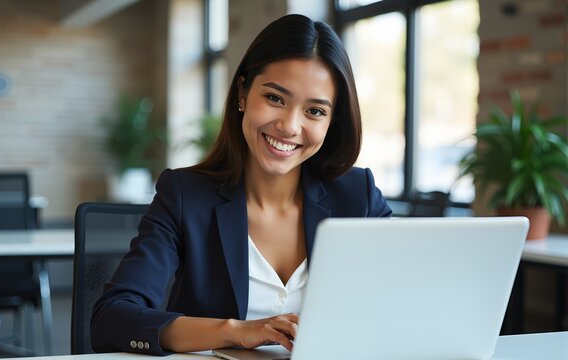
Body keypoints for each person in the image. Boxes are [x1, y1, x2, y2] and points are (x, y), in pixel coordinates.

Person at [91, 13, 392, 355]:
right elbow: (112, 319)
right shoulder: (185, 196)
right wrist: (235, 331)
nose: (290, 127)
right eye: (275, 98)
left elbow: (404, 304)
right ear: (243, 94)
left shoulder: (358, 196)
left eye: (315, 111)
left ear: (331, 122)